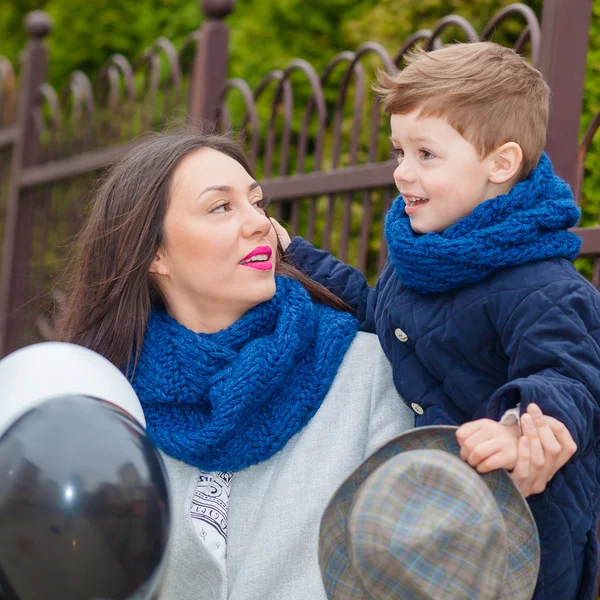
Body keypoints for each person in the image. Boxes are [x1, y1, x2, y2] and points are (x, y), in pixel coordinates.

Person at [272, 42, 598, 600]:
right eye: (399, 151)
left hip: (524, 536)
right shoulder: (424, 253)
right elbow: (381, 316)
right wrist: (296, 256)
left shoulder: (541, 284)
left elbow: (570, 375)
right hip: (439, 519)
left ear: (501, 163)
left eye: (427, 154)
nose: (402, 173)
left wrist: (516, 427)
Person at [52, 129, 417, 600]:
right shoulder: (112, 409)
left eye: (257, 203)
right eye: (221, 207)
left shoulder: (368, 373)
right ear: (155, 253)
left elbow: (409, 572)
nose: (258, 223)